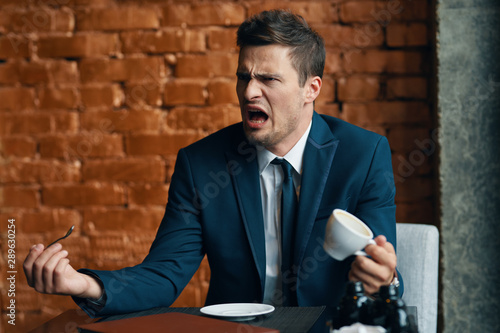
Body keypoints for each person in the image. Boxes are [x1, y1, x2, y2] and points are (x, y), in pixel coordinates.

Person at [23, 9, 402, 318]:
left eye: (268, 79)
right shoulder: (201, 163)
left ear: (311, 89)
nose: (250, 91)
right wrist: (85, 284)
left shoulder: (363, 156)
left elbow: (383, 271)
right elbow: (164, 275)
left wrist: (385, 279)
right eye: (243, 77)